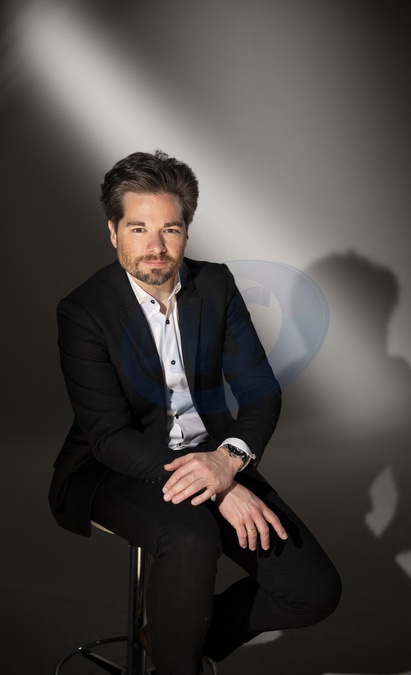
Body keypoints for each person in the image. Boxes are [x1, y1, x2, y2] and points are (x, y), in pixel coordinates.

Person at [49, 150, 341, 674]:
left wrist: (226, 462)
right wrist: (220, 486)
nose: (156, 247)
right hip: (112, 464)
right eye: (138, 228)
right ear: (113, 232)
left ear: (186, 231)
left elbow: (260, 392)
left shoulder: (216, 285)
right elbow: (108, 434)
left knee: (313, 590)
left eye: (171, 229)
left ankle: (166, 636)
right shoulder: (83, 310)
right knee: (191, 536)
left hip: (211, 454)